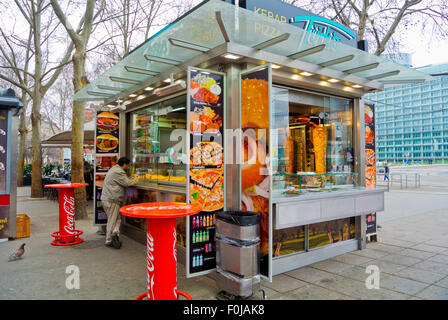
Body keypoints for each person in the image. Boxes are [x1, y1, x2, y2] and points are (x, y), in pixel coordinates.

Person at [101, 157, 138, 249]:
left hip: (108, 199)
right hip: (112, 200)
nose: (129, 167)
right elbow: (128, 183)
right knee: (113, 220)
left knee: (116, 219)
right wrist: (136, 179)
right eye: (128, 165)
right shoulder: (118, 172)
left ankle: (115, 234)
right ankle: (109, 240)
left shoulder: (114, 169)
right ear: (124, 164)